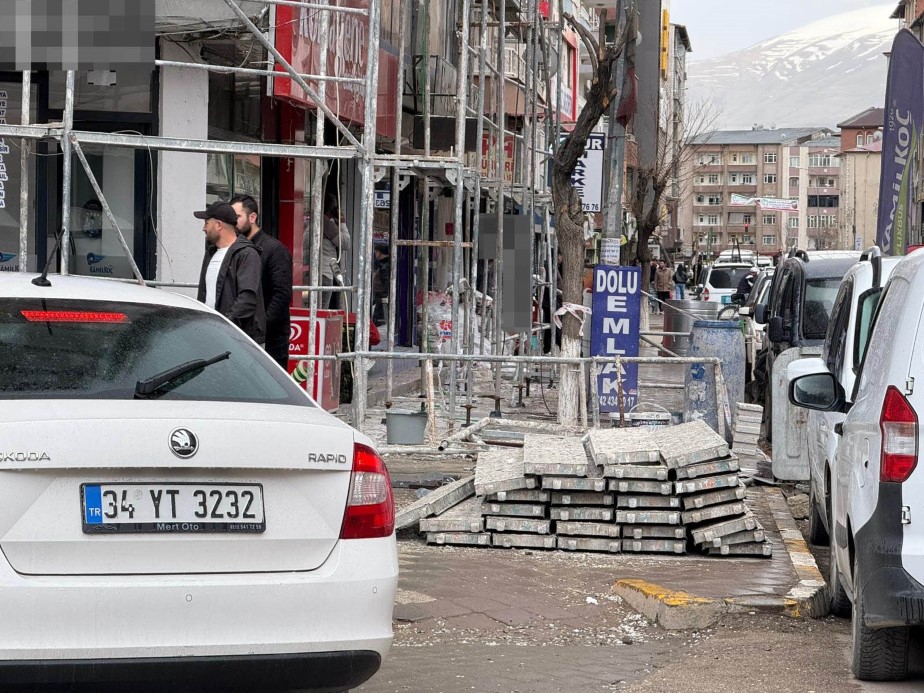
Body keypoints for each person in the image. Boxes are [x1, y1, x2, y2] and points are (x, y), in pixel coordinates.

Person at [230, 194, 292, 369]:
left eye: (237, 217)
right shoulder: (234, 249)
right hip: (241, 335)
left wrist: (261, 328)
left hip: (270, 340)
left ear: (252, 217)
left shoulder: (274, 249)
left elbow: (282, 295)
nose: (233, 222)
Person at [194, 200, 265, 344]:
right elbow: (204, 294)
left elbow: (247, 300)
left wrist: (224, 325)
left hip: (240, 340)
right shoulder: (211, 253)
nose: (204, 228)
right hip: (213, 334)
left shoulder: (247, 254)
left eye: (207, 223)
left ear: (219, 225)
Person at [321, 193, 352, 310]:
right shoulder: (327, 224)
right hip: (325, 272)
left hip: (321, 271)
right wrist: (342, 222)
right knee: (322, 310)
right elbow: (346, 243)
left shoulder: (317, 220)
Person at [371, 245, 390, 326]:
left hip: (382, 296)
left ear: (379, 253)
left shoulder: (385, 266)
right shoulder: (383, 264)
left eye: (376, 252)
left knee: (378, 319)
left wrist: (384, 295)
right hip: (381, 295)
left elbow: (386, 281)